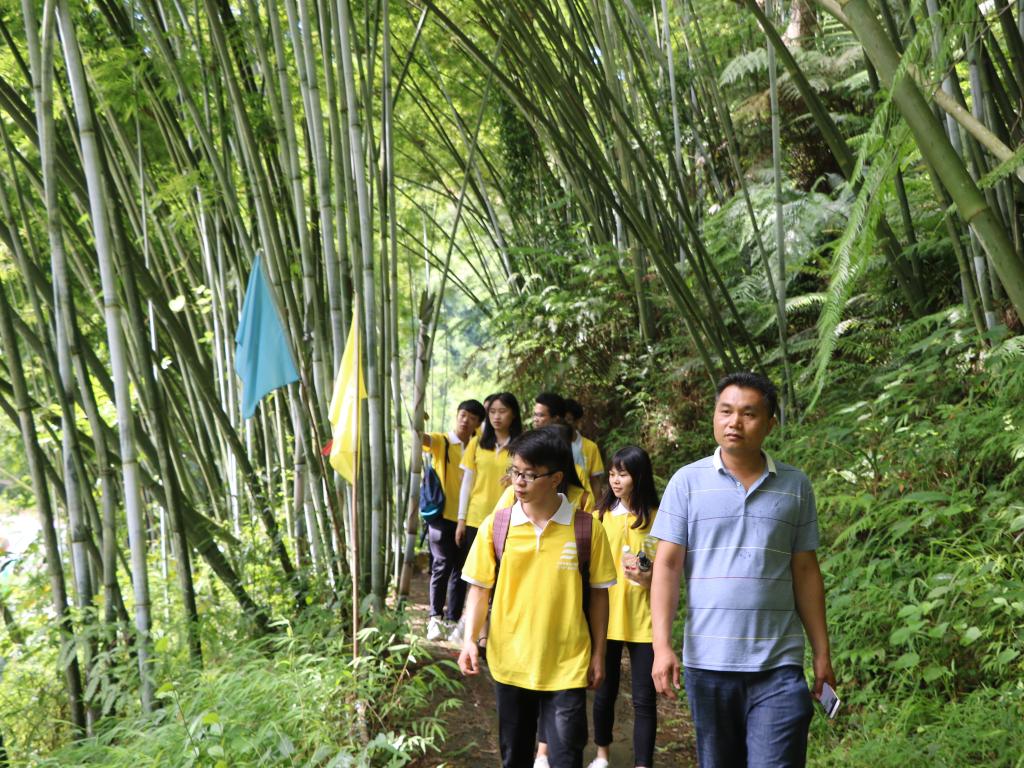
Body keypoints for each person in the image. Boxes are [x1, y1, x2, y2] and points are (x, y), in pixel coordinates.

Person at [650, 372, 835, 767]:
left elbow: (805, 571)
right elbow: (666, 566)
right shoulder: (686, 482)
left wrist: (822, 652)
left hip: (779, 665)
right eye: (726, 411)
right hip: (708, 663)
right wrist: (661, 646)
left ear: (770, 424)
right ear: (714, 417)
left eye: (748, 414)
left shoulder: (795, 486)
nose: (734, 422)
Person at [459, 428, 618, 768]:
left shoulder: (586, 528)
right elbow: (479, 588)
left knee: (566, 758)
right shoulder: (497, 525)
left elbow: (599, 596)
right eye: (515, 471)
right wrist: (470, 640)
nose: (519, 481)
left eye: (530, 475)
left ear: (556, 478)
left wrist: (599, 654)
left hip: (568, 662)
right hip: (510, 660)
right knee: (514, 757)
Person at [586, 446, 660, 768]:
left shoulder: (658, 518)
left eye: (623, 474)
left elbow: (664, 572)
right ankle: (602, 755)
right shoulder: (598, 517)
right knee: (605, 692)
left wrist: (648, 577)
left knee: (645, 699)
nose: (615, 481)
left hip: (645, 619)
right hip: (606, 618)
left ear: (639, 477)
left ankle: (643, 764)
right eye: (612, 474)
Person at [422, 399, 486, 642]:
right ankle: (434, 617)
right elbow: (423, 439)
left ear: (478, 424)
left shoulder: (480, 448)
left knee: (461, 570)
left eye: (472, 417)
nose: (465, 420)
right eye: (463, 415)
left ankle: (452, 619)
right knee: (441, 564)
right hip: (441, 515)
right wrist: (418, 421)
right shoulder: (444, 441)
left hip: (467, 518)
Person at [458, 392, 524, 558]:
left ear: (513, 414)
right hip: (476, 517)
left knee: (502, 569)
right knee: (475, 569)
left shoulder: (523, 445)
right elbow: (467, 483)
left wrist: (517, 478)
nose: (496, 417)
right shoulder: (476, 443)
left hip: (509, 518)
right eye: (492, 412)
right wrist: (461, 520)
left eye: (502, 411)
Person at [564, 398, 606, 498]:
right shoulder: (550, 445)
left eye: (568, 420)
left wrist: (597, 505)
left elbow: (595, 482)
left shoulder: (590, 447)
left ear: (577, 421)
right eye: (562, 420)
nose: (565, 424)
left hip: (584, 502)